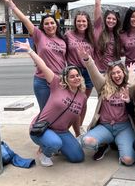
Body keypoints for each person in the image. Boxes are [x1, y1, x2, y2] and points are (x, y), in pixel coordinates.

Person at [14, 39, 86, 167]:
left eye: (77, 75)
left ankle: (57, 145)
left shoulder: (82, 97)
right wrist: (30, 50)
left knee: (78, 157)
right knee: (55, 143)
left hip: (62, 131)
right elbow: (43, 65)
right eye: (72, 76)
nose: (76, 78)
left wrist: (78, 134)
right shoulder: (57, 84)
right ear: (66, 79)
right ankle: (45, 153)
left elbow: (76, 117)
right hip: (42, 128)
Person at [0, 0, 66, 110]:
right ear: (42, 27)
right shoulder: (39, 36)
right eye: (46, 24)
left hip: (59, 80)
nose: (50, 26)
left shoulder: (63, 40)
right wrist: (11, 3)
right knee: (45, 112)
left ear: (56, 24)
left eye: (52, 23)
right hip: (42, 82)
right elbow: (25, 19)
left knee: (59, 111)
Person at [77, 45, 135, 166]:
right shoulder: (103, 86)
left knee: (128, 160)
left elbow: (134, 83)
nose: (116, 75)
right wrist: (87, 60)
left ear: (123, 73)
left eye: (119, 72)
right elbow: (94, 73)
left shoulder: (128, 89)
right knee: (87, 142)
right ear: (109, 75)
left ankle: (116, 143)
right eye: (113, 73)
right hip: (105, 127)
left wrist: (131, 72)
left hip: (124, 127)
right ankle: (105, 143)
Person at [65, 11, 95, 127]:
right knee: (73, 103)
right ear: (75, 22)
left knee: (83, 102)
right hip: (74, 72)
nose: (81, 23)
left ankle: (79, 129)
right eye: (79, 21)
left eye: (84, 21)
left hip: (88, 72)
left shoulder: (91, 36)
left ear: (88, 23)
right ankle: (68, 128)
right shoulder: (68, 35)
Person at [93, 0, 122, 72]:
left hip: (114, 73)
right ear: (105, 19)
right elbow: (97, 4)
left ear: (117, 21)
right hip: (99, 72)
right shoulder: (98, 28)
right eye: (109, 18)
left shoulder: (118, 35)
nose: (111, 21)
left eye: (114, 19)